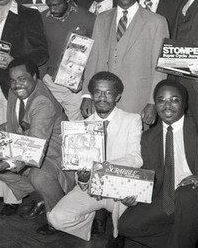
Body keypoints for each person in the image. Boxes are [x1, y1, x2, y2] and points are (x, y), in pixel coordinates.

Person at [113, 79, 198, 248]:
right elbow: (150, 177)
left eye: (174, 99)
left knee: (186, 195)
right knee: (127, 226)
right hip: (168, 196)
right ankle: (189, 233)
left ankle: (184, 236)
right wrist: (135, 195)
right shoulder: (149, 137)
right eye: (161, 100)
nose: (167, 105)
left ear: (184, 103)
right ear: (156, 104)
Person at [0, 57, 75, 235]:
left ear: (35, 77)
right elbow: (19, 122)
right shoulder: (17, 91)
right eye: (13, 80)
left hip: (54, 157)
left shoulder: (42, 102)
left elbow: (34, 148)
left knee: (39, 176)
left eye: (22, 79)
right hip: (30, 145)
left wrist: (5, 163)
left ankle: (58, 219)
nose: (16, 85)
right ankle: (41, 198)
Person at [0, 0, 48, 215]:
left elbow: (41, 52)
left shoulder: (28, 15)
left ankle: (13, 199)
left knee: (12, 137)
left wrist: (14, 60)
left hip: (14, 87)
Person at [48, 71, 142, 241]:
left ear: (117, 96)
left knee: (130, 220)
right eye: (97, 92)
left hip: (119, 186)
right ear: (91, 95)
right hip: (92, 189)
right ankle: (87, 222)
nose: (102, 97)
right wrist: (83, 179)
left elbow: (136, 158)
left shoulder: (132, 120)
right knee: (56, 218)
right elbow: (79, 172)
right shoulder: (80, 127)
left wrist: (101, 169)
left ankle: (119, 235)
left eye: (108, 93)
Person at [80, 0, 169, 128]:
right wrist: (87, 95)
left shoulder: (157, 22)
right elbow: (93, 59)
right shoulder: (102, 19)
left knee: (135, 148)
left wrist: (153, 103)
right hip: (102, 100)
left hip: (137, 101)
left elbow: (160, 68)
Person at [41, 0, 95, 121]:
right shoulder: (41, 19)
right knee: (51, 127)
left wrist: (85, 83)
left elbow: (97, 56)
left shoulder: (89, 19)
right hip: (50, 84)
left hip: (76, 87)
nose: (52, 10)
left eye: (57, 4)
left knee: (76, 130)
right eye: (49, 5)